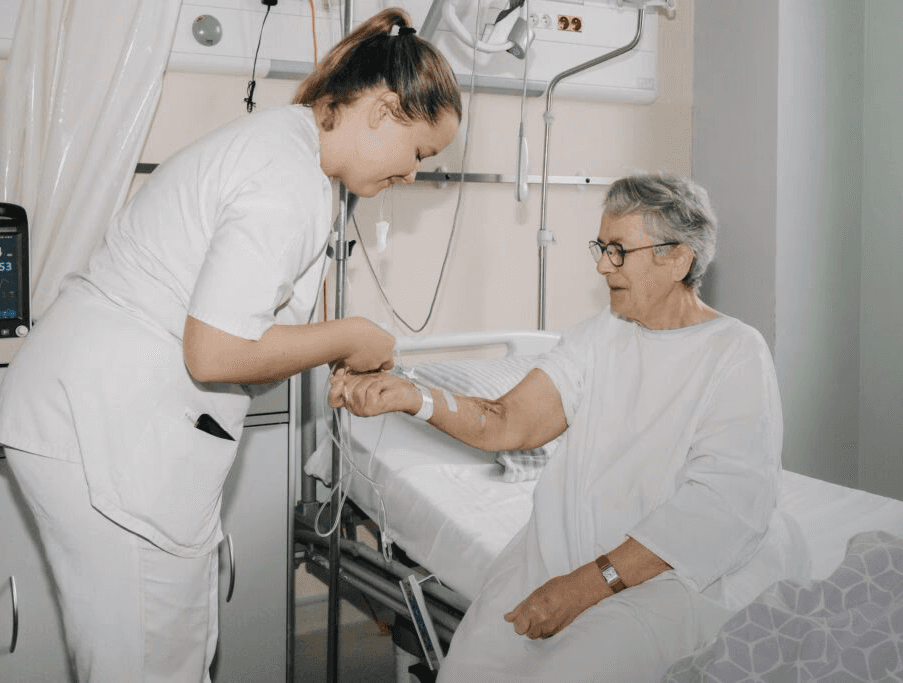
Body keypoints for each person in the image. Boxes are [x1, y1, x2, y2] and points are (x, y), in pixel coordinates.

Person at [0, 8, 461, 682]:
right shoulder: (289, 179)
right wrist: (353, 334)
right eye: (420, 152)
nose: (414, 175)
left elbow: (255, 327)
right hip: (107, 429)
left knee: (170, 648)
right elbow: (213, 351)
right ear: (384, 110)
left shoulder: (293, 157)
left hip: (92, 416)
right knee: (149, 662)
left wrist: (329, 347)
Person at [329, 173, 811, 682]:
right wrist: (413, 396)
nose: (602, 265)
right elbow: (506, 423)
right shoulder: (598, 339)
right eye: (601, 247)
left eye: (619, 250)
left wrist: (583, 587)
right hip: (559, 554)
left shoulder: (734, 352)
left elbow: (719, 507)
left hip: (666, 577)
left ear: (677, 258)